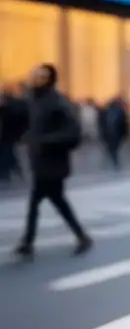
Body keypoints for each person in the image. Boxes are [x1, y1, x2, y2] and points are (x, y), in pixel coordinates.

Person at [14, 64, 92, 259]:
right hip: (41, 162)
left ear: (50, 79)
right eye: (35, 75)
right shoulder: (35, 100)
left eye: (42, 76)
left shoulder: (57, 102)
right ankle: (80, 236)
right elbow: (31, 125)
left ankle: (28, 242)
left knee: (40, 203)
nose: (36, 78)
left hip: (53, 163)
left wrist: (45, 142)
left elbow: (72, 132)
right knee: (56, 202)